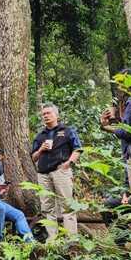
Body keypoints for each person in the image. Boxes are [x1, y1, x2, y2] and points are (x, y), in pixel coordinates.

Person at [100, 68, 131, 224]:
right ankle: (125, 245)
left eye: (121, 82)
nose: (119, 87)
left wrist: (107, 127)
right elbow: (127, 130)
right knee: (110, 205)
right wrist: (126, 192)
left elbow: (128, 132)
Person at [32, 103, 82, 241]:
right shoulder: (40, 136)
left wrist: (68, 163)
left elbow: (78, 149)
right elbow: (33, 157)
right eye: (43, 114)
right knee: (47, 207)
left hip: (61, 171)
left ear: (56, 115)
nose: (46, 116)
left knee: (67, 205)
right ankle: (51, 240)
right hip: (43, 174)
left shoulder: (67, 131)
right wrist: (41, 149)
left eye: (48, 113)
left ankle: (71, 239)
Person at [0, 149, 33, 242]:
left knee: (19, 214)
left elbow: (0, 193)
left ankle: (30, 242)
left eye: (0, 159)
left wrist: (3, 191)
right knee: (1, 208)